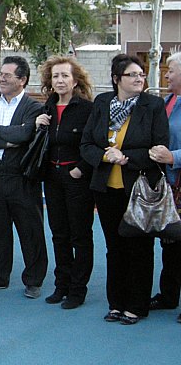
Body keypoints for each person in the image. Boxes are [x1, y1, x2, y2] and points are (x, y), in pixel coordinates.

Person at [81, 53, 168, 325]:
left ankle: (137, 305)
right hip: (107, 189)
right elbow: (86, 145)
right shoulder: (102, 103)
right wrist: (106, 157)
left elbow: (158, 147)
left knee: (139, 248)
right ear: (117, 79)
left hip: (139, 188)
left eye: (141, 74)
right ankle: (116, 303)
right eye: (132, 75)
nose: (139, 79)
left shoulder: (152, 105)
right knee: (114, 247)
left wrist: (127, 157)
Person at [0, 56, 47, 298]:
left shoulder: (34, 107)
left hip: (22, 179)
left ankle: (34, 279)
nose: (1, 78)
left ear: (22, 79)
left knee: (30, 230)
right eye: (1, 74)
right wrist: (6, 139)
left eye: (7, 75)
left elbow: (25, 134)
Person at [35, 56, 94, 309]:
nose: (59, 80)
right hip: (52, 177)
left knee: (79, 235)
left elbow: (96, 143)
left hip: (76, 178)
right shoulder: (47, 107)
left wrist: (81, 169)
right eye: (55, 76)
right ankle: (62, 285)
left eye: (64, 76)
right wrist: (37, 125)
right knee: (59, 234)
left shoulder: (87, 109)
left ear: (75, 80)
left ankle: (78, 290)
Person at [149, 52, 181, 321]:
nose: (166, 75)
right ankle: (168, 295)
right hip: (169, 186)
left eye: (170, 70)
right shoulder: (166, 101)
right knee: (170, 241)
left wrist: (174, 157)